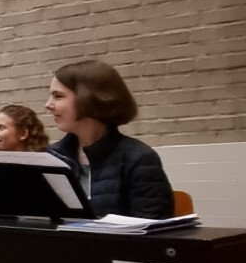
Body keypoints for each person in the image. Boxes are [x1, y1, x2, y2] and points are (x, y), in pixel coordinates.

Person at [45, 59, 173, 219]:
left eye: (58, 96)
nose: (48, 105)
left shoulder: (139, 159)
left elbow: (151, 228)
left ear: (89, 99)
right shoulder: (51, 158)